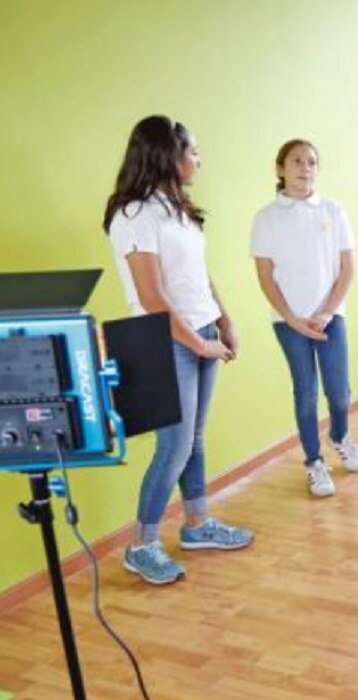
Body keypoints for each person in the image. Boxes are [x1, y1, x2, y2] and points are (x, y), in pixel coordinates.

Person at [103, 115, 254, 586]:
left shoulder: (178, 210)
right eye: (193, 151)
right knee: (174, 446)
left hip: (201, 329)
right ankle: (141, 544)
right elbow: (152, 298)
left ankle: (196, 523)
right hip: (164, 340)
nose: (198, 160)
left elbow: (197, 276)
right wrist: (199, 344)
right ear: (168, 155)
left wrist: (223, 320)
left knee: (194, 439)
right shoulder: (134, 216)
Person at [251, 139, 358, 497]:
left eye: (312, 162)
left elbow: (348, 268)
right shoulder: (266, 218)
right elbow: (265, 276)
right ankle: (314, 461)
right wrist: (292, 318)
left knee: (339, 393)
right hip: (289, 323)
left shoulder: (333, 210)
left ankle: (340, 435)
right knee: (306, 393)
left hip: (330, 317)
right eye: (297, 161)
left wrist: (327, 312)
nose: (305, 168)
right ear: (280, 168)